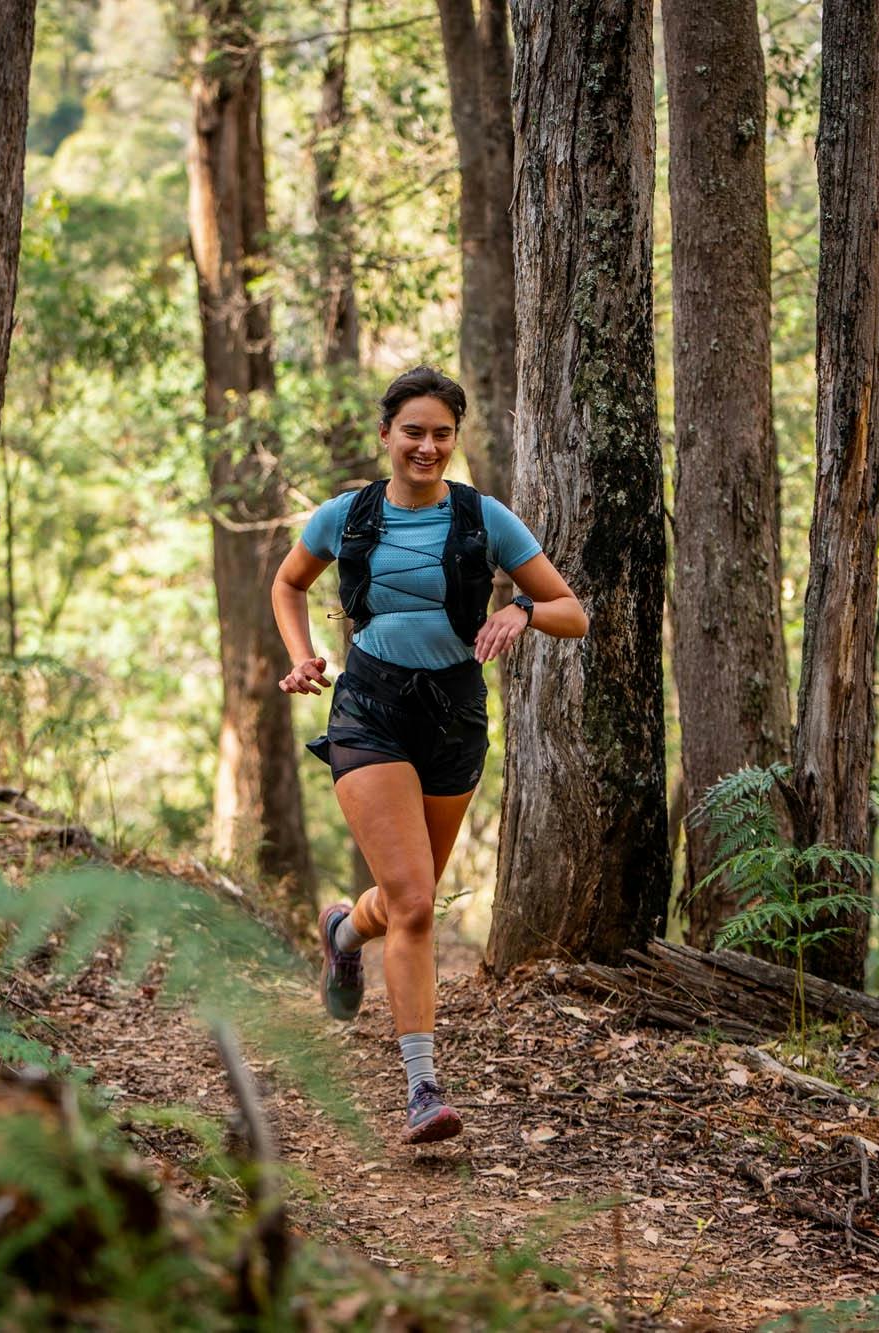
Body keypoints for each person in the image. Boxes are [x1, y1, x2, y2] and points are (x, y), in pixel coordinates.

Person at [271, 366, 587, 1144]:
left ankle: (344, 933)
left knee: (402, 895)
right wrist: (304, 654)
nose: (427, 445)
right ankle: (422, 1088)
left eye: (442, 433)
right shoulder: (346, 516)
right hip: (370, 708)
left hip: (454, 714)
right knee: (415, 902)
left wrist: (520, 609)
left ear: (455, 438)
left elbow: (570, 611)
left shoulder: (485, 519)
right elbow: (288, 583)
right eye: (413, 430)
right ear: (385, 435)